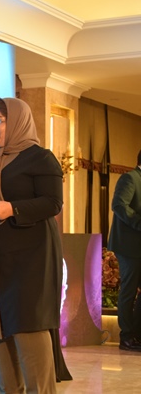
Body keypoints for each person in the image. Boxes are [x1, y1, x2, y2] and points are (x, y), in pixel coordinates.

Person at [0, 97, 63, 394]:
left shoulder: (40, 158)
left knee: (27, 324)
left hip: (31, 255)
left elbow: (53, 202)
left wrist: (12, 208)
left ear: (18, 123)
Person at [108, 149, 141, 351]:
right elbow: (119, 205)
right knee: (129, 291)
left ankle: (137, 333)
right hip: (129, 246)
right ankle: (126, 337)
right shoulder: (130, 178)